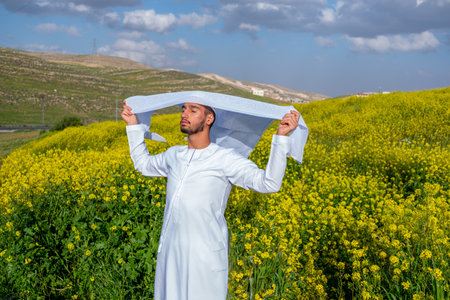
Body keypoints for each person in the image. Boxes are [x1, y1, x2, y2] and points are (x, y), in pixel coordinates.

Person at [122, 100, 300, 300]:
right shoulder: (175, 155)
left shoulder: (224, 159)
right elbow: (143, 164)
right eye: (183, 109)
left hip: (204, 257)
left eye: (193, 110)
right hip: (171, 253)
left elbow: (269, 183)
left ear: (209, 118)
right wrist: (132, 125)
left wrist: (281, 138)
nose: (184, 114)